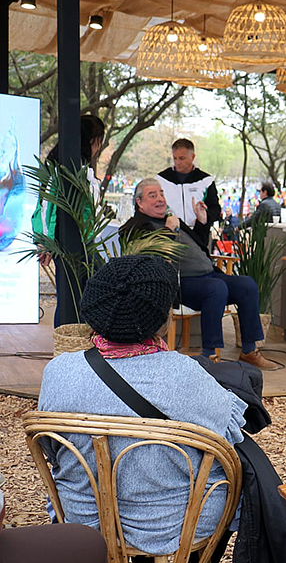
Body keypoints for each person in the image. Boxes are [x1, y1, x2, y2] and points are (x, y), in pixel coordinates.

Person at [37, 254, 249, 556]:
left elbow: (50, 447)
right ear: (163, 319)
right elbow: (228, 433)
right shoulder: (184, 374)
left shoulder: (58, 372)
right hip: (173, 525)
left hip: (82, 519)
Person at [120, 179, 272, 369]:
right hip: (180, 283)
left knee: (246, 284)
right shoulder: (136, 227)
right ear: (139, 202)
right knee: (216, 288)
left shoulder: (171, 219)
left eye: (161, 193)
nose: (160, 199)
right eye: (153, 195)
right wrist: (169, 230)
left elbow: (198, 242)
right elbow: (151, 260)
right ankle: (209, 355)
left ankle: (249, 351)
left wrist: (201, 221)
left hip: (209, 275)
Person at [32, 114, 106, 326]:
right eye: (98, 141)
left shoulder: (77, 165)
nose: (98, 147)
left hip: (84, 242)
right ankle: (66, 348)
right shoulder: (64, 166)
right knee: (71, 298)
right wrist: (46, 243)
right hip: (71, 244)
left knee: (78, 296)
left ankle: (76, 345)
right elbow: (47, 205)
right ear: (92, 140)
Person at [155, 138, 221, 247]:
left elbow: (215, 209)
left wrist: (204, 219)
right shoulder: (161, 179)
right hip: (170, 235)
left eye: (182, 158)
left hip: (198, 235)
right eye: (175, 158)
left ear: (192, 157)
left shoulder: (206, 181)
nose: (178, 163)